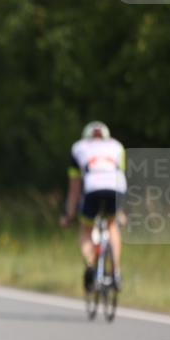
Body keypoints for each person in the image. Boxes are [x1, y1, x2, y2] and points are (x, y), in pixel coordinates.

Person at [60, 121, 127, 290]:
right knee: (112, 226)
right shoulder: (117, 146)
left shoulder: (78, 147)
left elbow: (74, 189)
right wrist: (122, 212)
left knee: (86, 229)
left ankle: (90, 267)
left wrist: (69, 215)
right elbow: (120, 176)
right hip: (115, 187)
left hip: (92, 187)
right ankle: (116, 272)